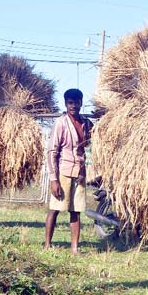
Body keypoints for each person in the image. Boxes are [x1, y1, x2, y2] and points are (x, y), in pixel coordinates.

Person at [45, 88, 93, 255]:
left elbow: (92, 140)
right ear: (66, 104)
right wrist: (54, 180)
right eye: (70, 103)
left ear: (81, 103)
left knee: (76, 211)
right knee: (55, 209)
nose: (73, 106)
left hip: (79, 173)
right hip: (63, 172)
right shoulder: (61, 123)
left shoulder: (86, 123)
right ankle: (47, 245)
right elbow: (52, 152)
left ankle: (74, 248)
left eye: (76, 102)